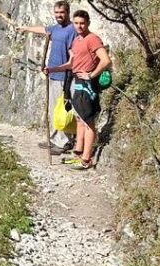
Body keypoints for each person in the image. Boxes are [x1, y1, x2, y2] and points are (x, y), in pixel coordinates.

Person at [43, 10, 111, 170]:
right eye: (76, 23)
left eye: (82, 23)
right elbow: (72, 63)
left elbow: (105, 60)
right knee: (80, 119)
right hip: (76, 82)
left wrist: (91, 75)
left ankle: (86, 159)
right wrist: (52, 69)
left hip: (86, 85)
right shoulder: (77, 40)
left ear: (88, 23)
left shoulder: (92, 39)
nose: (79, 26)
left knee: (88, 122)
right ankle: (78, 153)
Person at [18, 0, 77, 153]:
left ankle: (64, 142)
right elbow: (43, 29)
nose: (59, 15)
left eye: (62, 13)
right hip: (52, 74)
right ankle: (54, 137)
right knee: (52, 110)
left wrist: (62, 69)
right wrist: (26, 28)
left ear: (67, 12)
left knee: (62, 110)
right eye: (57, 13)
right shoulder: (55, 29)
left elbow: (73, 55)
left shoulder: (72, 30)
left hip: (64, 76)